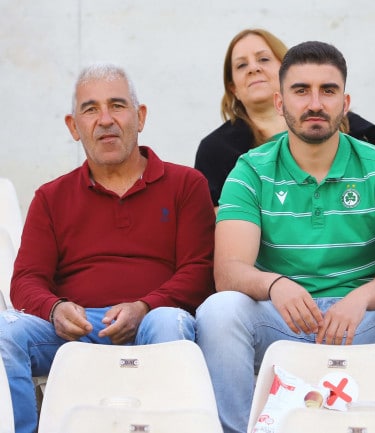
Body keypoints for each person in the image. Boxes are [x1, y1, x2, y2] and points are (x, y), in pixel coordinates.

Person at [195, 41, 375, 433]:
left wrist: (360, 298)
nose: (315, 103)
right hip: (283, 319)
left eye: (328, 91)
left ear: (345, 103)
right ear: (280, 102)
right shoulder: (250, 170)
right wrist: (276, 285)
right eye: (301, 91)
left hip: (362, 319)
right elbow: (228, 272)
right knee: (219, 311)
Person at [0, 63, 215, 433]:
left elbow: (200, 271)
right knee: (6, 332)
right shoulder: (51, 197)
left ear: (140, 116)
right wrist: (55, 308)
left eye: (117, 105)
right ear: (73, 126)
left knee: (169, 322)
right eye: (90, 109)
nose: (105, 120)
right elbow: (26, 280)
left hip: (154, 321)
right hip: (75, 329)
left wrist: (144, 306)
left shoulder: (186, 184)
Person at [194, 28, 375, 210]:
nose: (253, 68)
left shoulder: (353, 128)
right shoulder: (216, 149)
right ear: (233, 88)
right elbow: (214, 219)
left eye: (263, 59)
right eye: (241, 65)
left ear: (286, 70)